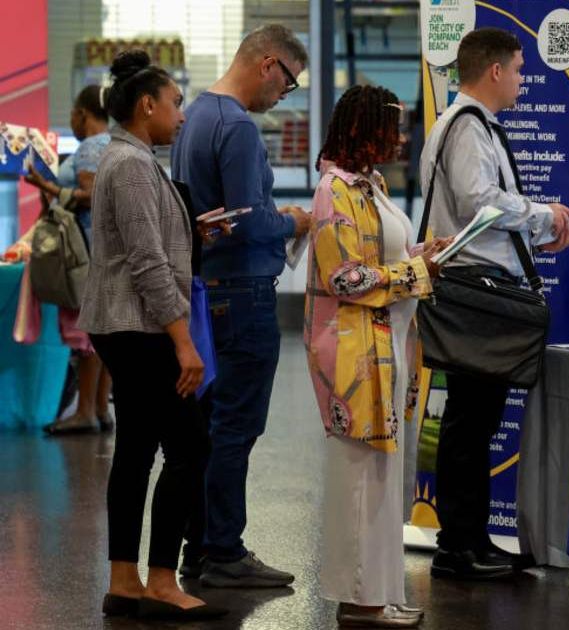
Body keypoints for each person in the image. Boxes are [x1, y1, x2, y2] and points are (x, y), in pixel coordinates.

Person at [419, 27, 569, 580]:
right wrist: (541, 215)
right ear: (493, 72)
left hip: (476, 285)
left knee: (474, 421)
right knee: (470, 422)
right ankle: (458, 546)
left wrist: (539, 228)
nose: (521, 79)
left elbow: (481, 216)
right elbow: (479, 202)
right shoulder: (466, 128)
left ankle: (468, 539)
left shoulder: (471, 126)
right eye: (517, 68)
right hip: (475, 292)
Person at [79, 49, 225, 621]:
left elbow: (151, 245)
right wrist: (183, 341)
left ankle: (125, 581)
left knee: (138, 448)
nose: (182, 116)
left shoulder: (130, 160)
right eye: (175, 103)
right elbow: (146, 263)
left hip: (126, 326)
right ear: (147, 106)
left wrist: (190, 234)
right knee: (190, 449)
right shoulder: (133, 165)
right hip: (140, 329)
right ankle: (163, 581)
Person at [170, 23, 312, 587]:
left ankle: (199, 548)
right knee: (236, 428)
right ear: (268, 64)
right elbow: (251, 225)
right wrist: (296, 221)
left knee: (210, 427)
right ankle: (224, 551)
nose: (284, 95)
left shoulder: (195, 119)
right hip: (244, 295)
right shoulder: (238, 128)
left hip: (208, 294)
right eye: (289, 83)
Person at [307, 85, 450, 628]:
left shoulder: (370, 186)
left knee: (383, 475)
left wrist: (421, 256)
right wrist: (416, 273)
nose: (403, 137)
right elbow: (344, 276)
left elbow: (378, 257)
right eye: (394, 126)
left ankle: (378, 592)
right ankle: (360, 599)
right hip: (354, 355)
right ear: (365, 130)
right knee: (361, 478)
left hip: (384, 345)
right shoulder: (333, 191)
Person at [19, 85, 113, 435]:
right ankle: (100, 408)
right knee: (103, 332)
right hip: (102, 250)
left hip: (82, 251)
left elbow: (91, 197)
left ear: (82, 114)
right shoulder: (115, 144)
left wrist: (50, 188)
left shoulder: (90, 147)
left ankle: (85, 410)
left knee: (86, 332)